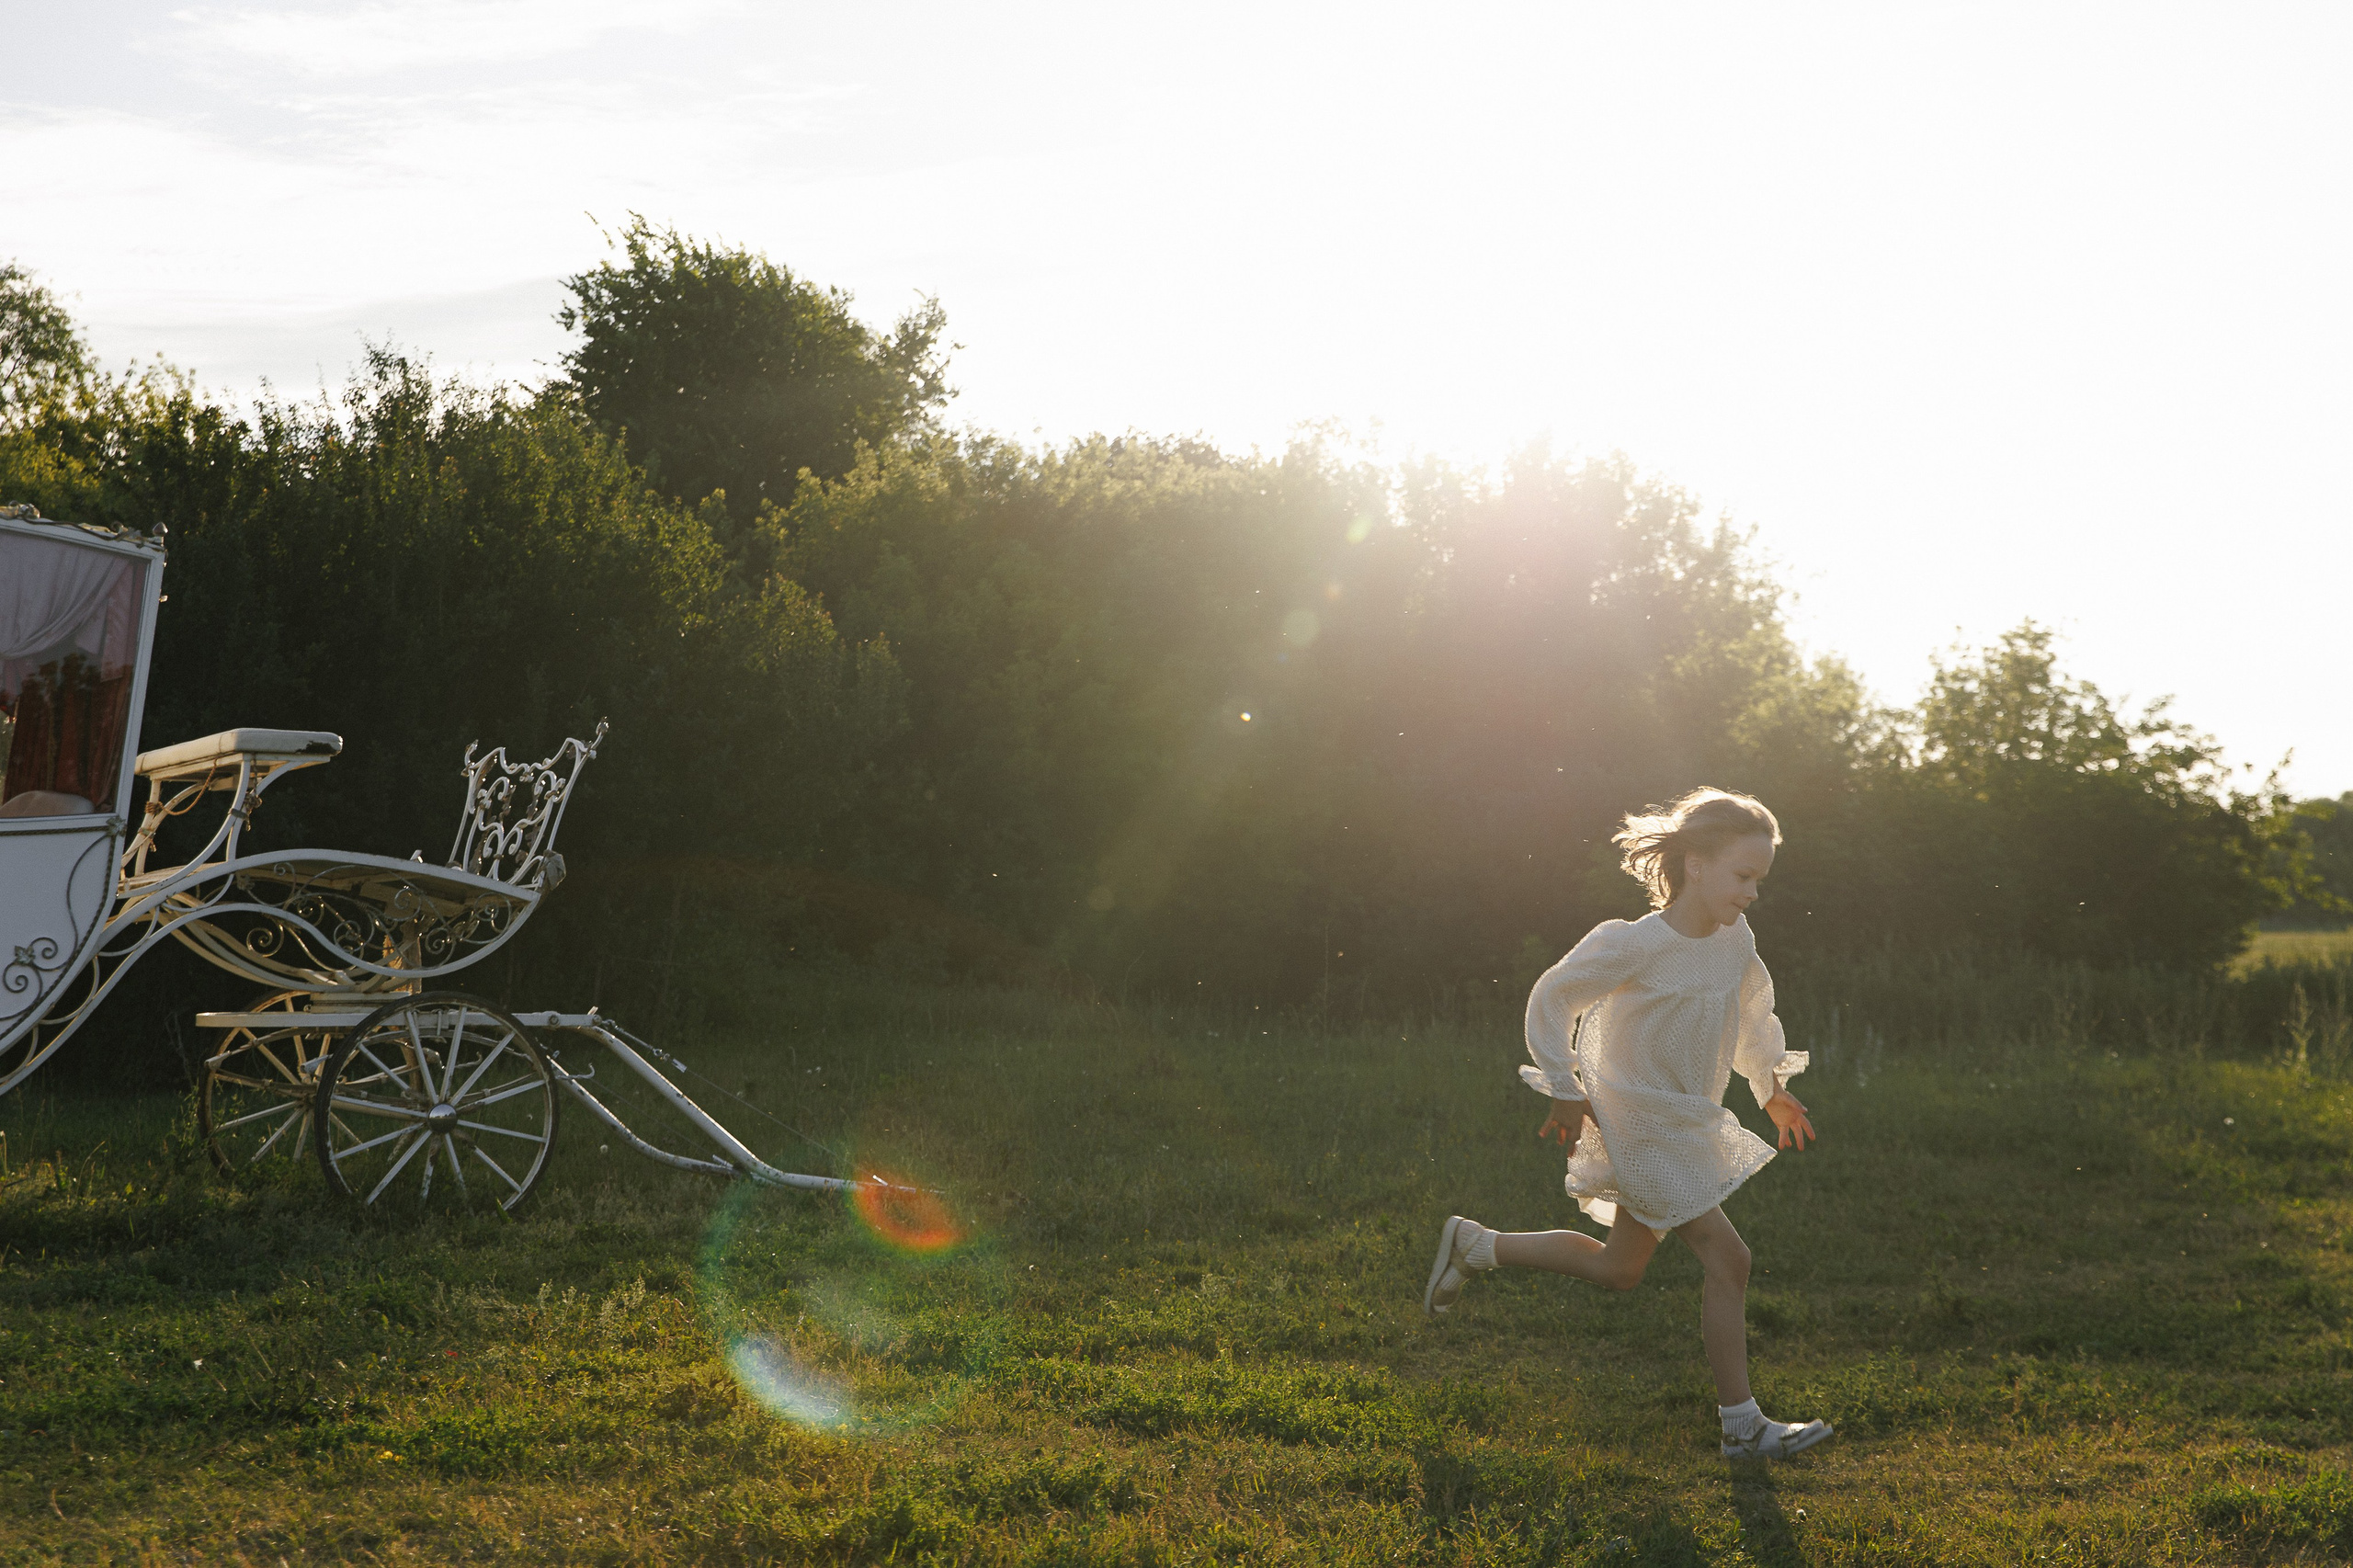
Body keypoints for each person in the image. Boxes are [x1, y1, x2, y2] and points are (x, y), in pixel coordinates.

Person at [1421, 788, 1832, 1460]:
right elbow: (1554, 995)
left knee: (1620, 1270)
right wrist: (1561, 1084)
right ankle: (1743, 1428)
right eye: (1743, 876)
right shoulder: (1636, 945)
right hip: (1640, 1123)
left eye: (1760, 880)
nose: (1753, 893)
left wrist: (1770, 1088)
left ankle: (1477, 1245)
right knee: (1730, 1258)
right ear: (1695, 865)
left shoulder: (1735, 941)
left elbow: (1754, 1014)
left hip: (1686, 1119)